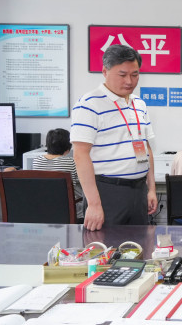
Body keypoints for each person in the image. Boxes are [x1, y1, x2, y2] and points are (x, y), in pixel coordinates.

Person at [71, 45, 157, 231]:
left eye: (135, 74)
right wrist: (94, 204)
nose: (129, 81)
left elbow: (146, 148)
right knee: (106, 246)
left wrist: (151, 189)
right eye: (122, 74)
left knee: (139, 245)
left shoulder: (139, 104)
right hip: (107, 193)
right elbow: (80, 155)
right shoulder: (89, 104)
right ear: (105, 71)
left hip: (139, 190)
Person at [32, 128, 84, 219]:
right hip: (68, 211)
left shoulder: (36, 161)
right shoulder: (71, 162)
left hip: (43, 210)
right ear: (68, 149)